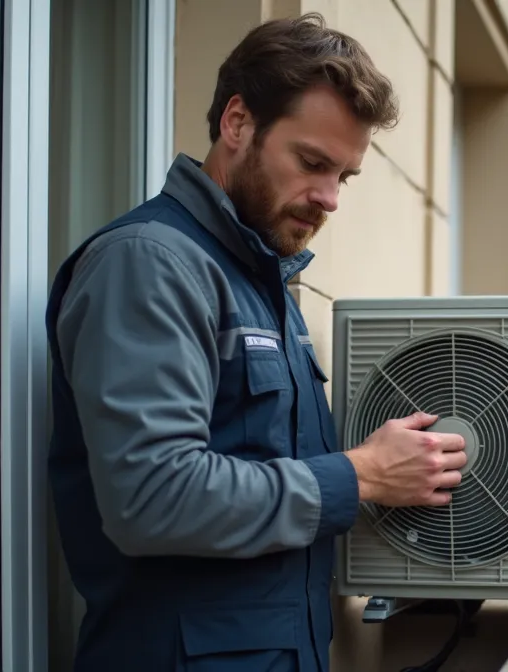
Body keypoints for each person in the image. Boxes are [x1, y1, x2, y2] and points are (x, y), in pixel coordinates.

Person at [44, 14, 467, 672]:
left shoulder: (261, 279)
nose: (329, 198)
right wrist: (361, 475)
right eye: (312, 163)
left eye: (344, 177)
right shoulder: (149, 264)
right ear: (237, 124)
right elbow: (153, 497)